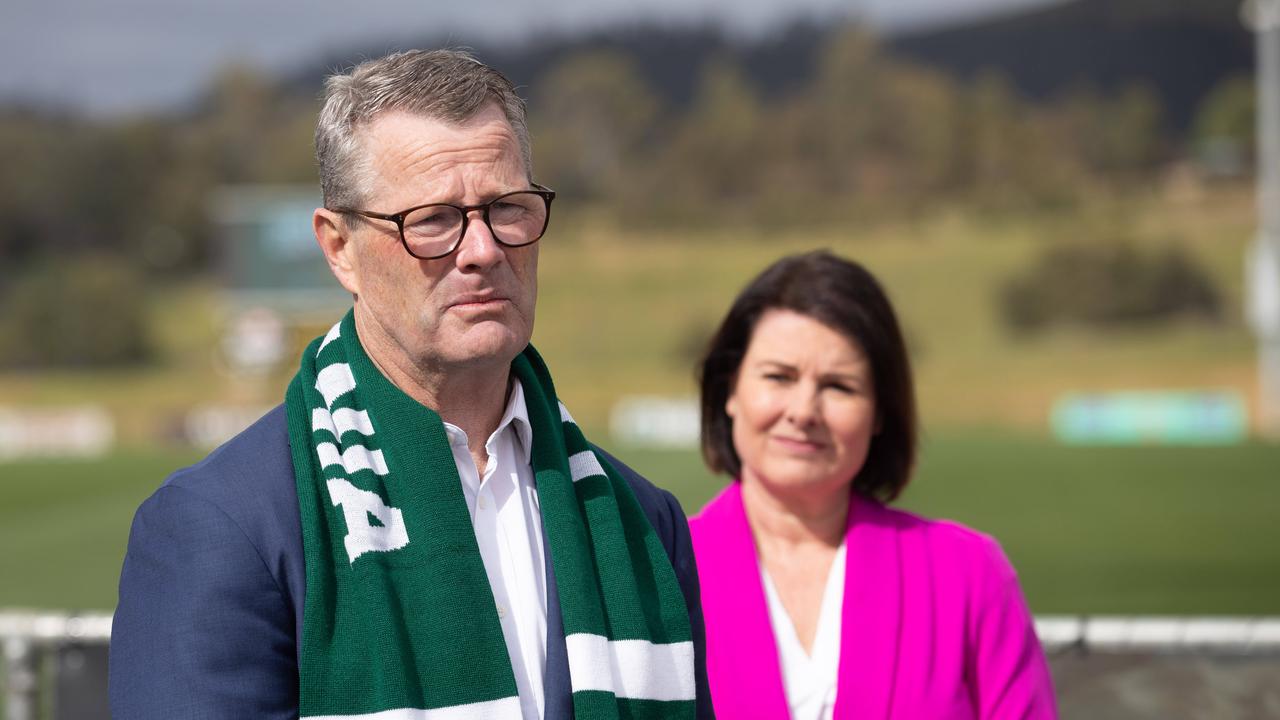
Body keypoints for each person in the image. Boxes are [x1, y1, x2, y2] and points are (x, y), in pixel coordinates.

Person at [110, 49, 712, 720]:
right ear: (339, 248)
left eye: (507, 208)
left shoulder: (641, 522)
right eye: (433, 220)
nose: (483, 250)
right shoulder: (226, 525)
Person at [690, 251, 1056, 719]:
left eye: (839, 386)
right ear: (729, 392)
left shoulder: (969, 575)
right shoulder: (657, 571)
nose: (804, 411)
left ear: (881, 411)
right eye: (779, 377)